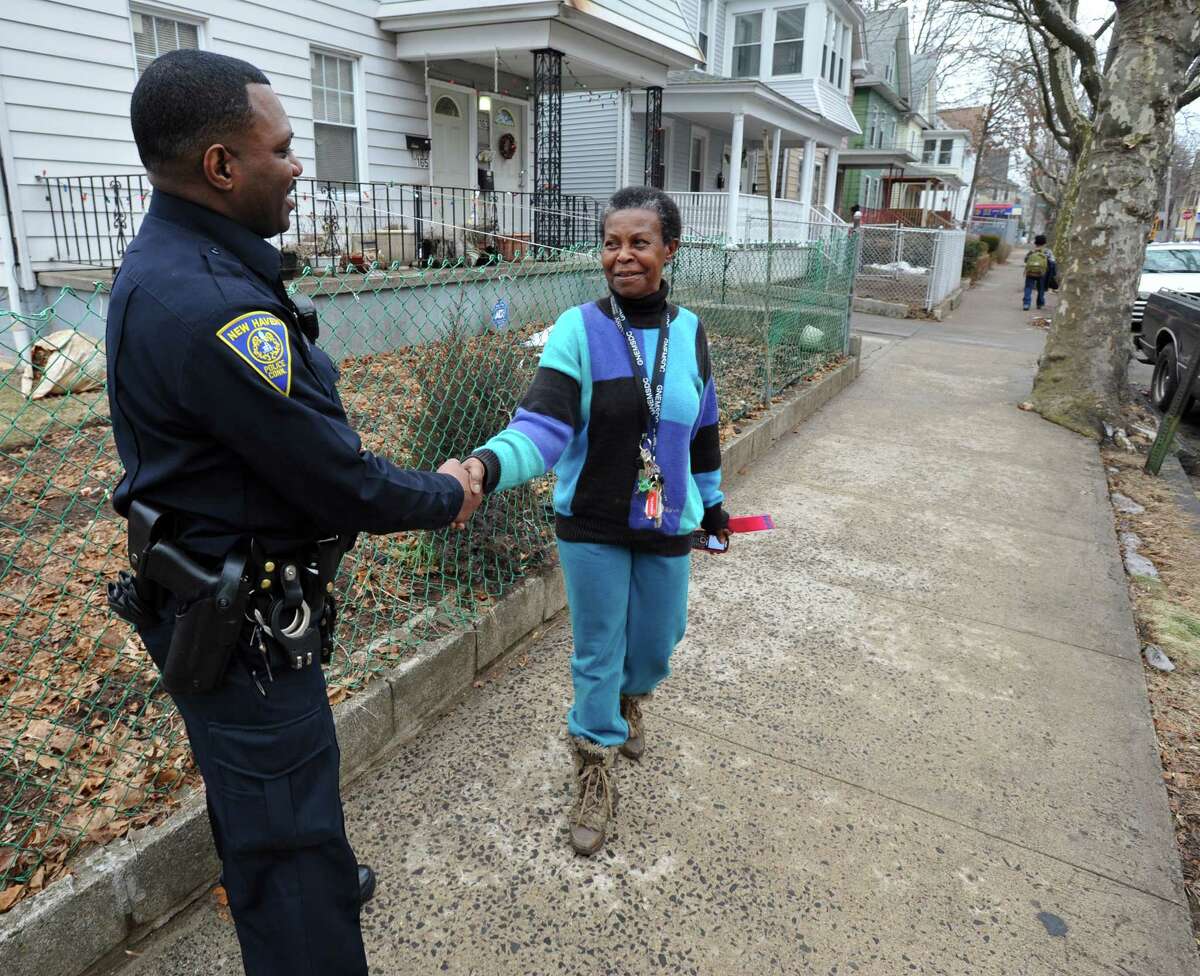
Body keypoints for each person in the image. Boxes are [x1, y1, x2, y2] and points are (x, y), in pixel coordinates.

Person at [105, 50, 481, 976]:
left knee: (260, 806)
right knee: (291, 848)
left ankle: (291, 874)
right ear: (222, 167)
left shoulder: (185, 263)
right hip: (245, 640)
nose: (300, 166)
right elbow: (337, 477)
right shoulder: (209, 307)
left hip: (217, 609)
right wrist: (451, 492)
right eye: (281, 149)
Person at [462, 186, 730, 856]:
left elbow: (702, 428)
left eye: (640, 242)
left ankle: (631, 699)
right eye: (612, 242)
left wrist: (714, 500)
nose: (624, 256)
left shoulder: (691, 332)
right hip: (592, 525)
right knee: (597, 652)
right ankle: (593, 764)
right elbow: (541, 425)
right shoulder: (578, 330)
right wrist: (484, 468)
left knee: (657, 640)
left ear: (670, 249)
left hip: (667, 521)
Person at [1023, 233, 1053, 310]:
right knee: (1041, 288)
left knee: (1028, 287)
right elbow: (1052, 261)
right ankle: (1040, 304)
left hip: (1030, 272)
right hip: (1042, 272)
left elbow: (1026, 260)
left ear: (1035, 242)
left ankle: (1026, 304)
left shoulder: (1032, 251)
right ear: (1045, 242)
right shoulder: (1048, 252)